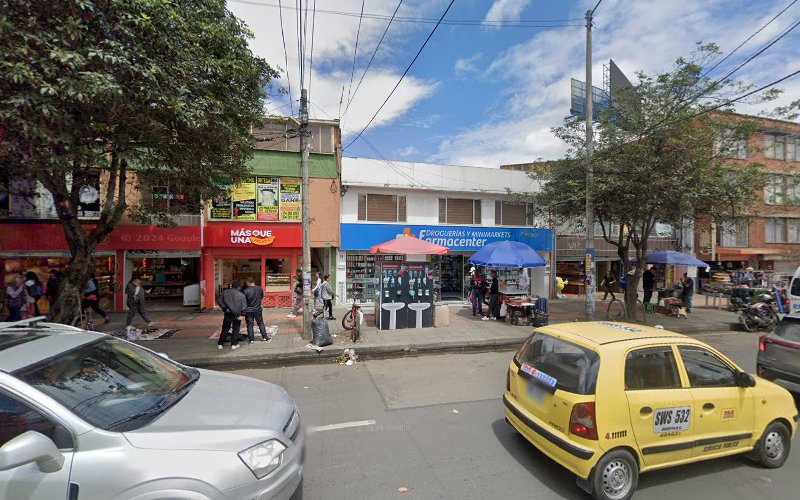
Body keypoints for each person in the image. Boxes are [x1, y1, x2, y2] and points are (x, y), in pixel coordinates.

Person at [217, 280, 247, 350]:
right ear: (239, 287)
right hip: (237, 314)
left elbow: (219, 301)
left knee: (225, 329)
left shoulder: (225, 292)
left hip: (228, 313)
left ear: (232, 286)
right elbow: (244, 306)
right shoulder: (241, 295)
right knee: (235, 329)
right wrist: (243, 314)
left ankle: (220, 344)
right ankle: (234, 344)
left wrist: (224, 308)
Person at [243, 277, 269, 343]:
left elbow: (244, 301)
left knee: (250, 324)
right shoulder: (260, 288)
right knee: (260, 323)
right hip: (257, 309)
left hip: (249, 310)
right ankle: (265, 337)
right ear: (254, 282)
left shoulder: (246, 291)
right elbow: (261, 297)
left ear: (248, 283)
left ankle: (251, 339)